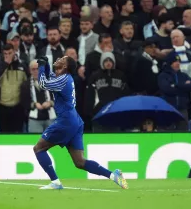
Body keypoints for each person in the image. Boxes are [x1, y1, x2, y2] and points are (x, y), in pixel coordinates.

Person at [33, 55, 129, 190]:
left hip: (65, 120)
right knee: (79, 162)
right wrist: (46, 65)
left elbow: (43, 83)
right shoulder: (65, 78)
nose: (59, 58)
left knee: (38, 148)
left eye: (62, 59)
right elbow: (49, 78)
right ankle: (114, 175)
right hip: (75, 121)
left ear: (65, 66)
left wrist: (42, 66)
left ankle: (55, 182)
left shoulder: (63, 79)